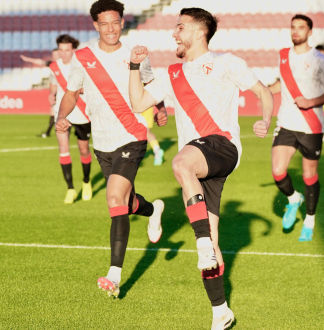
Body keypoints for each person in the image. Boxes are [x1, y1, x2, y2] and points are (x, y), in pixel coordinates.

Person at [127, 8, 273, 330]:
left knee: (179, 162)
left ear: (198, 32)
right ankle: (221, 311)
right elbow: (137, 103)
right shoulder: (173, 74)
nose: (173, 34)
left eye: (179, 28)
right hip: (202, 164)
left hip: (222, 146)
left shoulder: (225, 62)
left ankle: (202, 244)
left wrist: (264, 119)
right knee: (213, 239)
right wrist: (134, 67)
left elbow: (263, 91)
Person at [55, 0, 165, 298]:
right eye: (104, 23)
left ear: (122, 21)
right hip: (102, 142)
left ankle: (114, 275)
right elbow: (70, 92)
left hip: (132, 135)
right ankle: (154, 209)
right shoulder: (83, 57)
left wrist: (161, 108)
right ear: (95, 26)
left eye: (115, 22)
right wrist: (62, 117)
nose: (111, 28)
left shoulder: (135, 54)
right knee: (126, 203)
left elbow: (151, 83)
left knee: (114, 198)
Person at [268, 15, 324, 242]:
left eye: (301, 27)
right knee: (278, 171)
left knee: (309, 175)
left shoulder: (319, 59)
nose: (295, 31)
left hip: (311, 126)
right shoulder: (283, 56)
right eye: (293, 27)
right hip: (286, 124)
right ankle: (292, 199)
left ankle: (309, 220)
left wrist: (311, 102)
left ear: (310, 32)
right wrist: (266, 90)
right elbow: (283, 84)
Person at [48, 35, 92, 204]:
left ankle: (86, 182)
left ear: (73, 50)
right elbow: (53, 85)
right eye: (61, 50)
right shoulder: (54, 67)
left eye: (67, 50)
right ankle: (71, 189)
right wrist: (51, 95)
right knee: (63, 148)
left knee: (83, 150)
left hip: (81, 111)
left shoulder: (81, 65)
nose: (64, 54)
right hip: (62, 113)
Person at [21, 49, 60, 138]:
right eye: (53, 55)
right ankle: (48, 132)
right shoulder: (52, 64)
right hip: (56, 92)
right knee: (53, 112)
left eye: (57, 54)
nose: (55, 56)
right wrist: (28, 60)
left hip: (66, 92)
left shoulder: (67, 65)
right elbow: (41, 62)